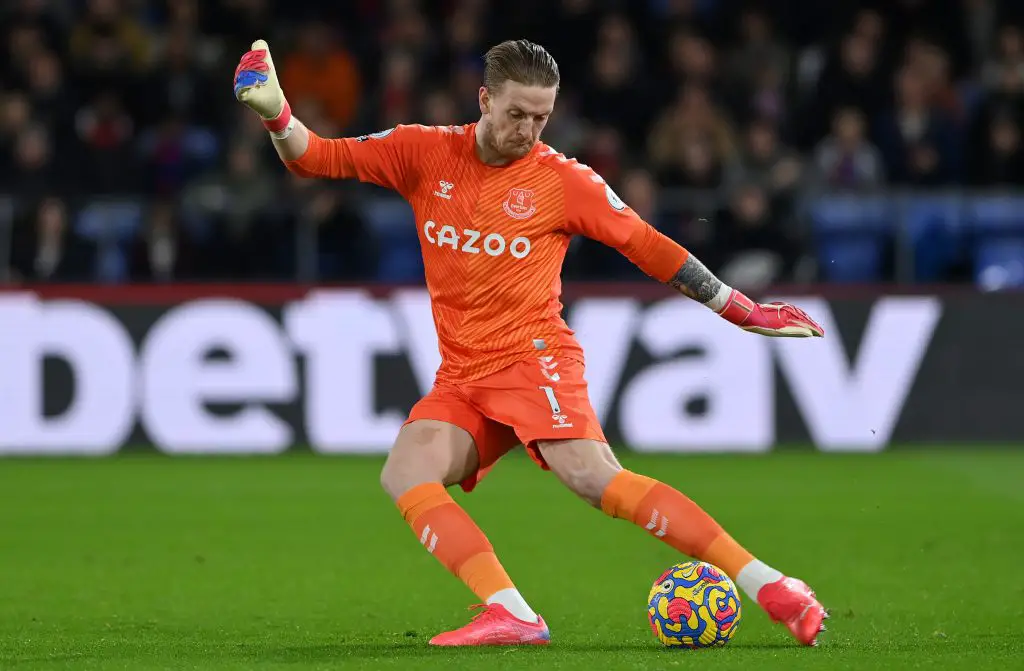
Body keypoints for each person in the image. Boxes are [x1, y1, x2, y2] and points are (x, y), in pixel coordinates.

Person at [234, 38, 828, 647]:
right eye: (517, 114)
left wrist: (743, 310)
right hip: (463, 374)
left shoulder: (563, 181)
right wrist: (276, 113)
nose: (529, 129)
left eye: (542, 117)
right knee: (406, 470)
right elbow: (315, 159)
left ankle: (773, 585)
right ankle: (512, 613)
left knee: (593, 479)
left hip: (531, 358)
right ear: (484, 99)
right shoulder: (423, 151)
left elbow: (650, 247)